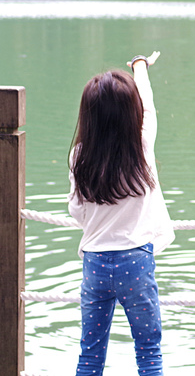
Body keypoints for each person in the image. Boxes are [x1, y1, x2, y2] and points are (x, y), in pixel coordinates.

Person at [69, 51, 173, 376]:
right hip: (136, 264)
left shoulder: (79, 155)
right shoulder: (142, 146)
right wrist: (140, 66)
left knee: (90, 353)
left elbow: (76, 210)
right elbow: (150, 105)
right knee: (148, 351)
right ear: (133, 114)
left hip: (95, 264)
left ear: (88, 115)